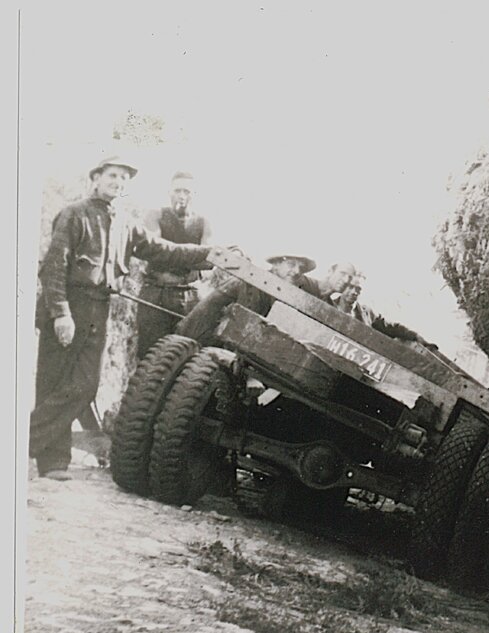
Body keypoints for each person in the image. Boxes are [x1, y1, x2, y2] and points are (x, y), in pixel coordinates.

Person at [31, 156, 220, 481]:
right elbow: (54, 267)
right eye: (112, 176)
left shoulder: (125, 223)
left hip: (99, 307)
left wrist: (211, 255)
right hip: (69, 305)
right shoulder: (75, 214)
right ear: (96, 177)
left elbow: (165, 250)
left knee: (85, 384)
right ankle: (52, 462)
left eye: (123, 178)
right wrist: (60, 313)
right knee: (53, 383)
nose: (117, 182)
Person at [135, 171, 212, 358]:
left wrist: (188, 259)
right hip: (157, 292)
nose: (182, 196)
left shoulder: (203, 222)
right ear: (169, 192)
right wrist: (194, 257)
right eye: (178, 190)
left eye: (187, 191)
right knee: (150, 354)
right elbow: (156, 251)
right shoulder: (156, 215)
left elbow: (210, 261)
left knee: (188, 354)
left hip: (190, 294)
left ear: (194, 195)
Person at [175, 254, 323, 344]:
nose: (297, 271)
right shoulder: (256, 283)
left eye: (301, 268)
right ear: (276, 264)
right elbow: (242, 329)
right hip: (199, 340)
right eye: (291, 264)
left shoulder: (278, 289)